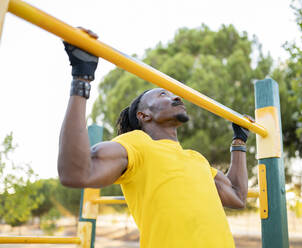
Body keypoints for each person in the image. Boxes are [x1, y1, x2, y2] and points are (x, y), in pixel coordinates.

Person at [58, 28, 253, 248]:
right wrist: (82, 79)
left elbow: (237, 196)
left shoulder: (196, 159)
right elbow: (75, 173)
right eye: (163, 95)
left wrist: (239, 142)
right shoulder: (136, 144)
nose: (176, 96)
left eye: (173, 94)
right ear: (144, 115)